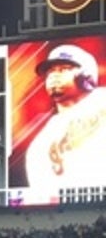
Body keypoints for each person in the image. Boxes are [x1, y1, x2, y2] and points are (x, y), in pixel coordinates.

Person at [25, 43, 106, 192]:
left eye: (64, 69)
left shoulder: (102, 99)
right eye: (50, 71)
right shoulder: (41, 143)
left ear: (85, 76)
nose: (54, 75)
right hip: (75, 210)